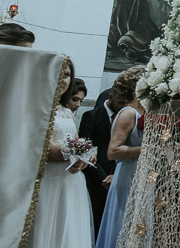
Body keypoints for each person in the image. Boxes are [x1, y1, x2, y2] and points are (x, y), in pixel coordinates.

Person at [28, 58, 95, 247]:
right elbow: (44, 148)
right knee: (43, 228)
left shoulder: (67, 112)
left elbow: (75, 138)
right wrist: (74, 152)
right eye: (58, 72)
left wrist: (82, 159)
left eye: (67, 74)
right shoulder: (38, 107)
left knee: (67, 231)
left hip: (69, 182)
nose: (63, 79)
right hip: (47, 178)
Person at [95, 66, 146, 248]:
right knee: (125, 222)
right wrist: (147, 149)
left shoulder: (142, 113)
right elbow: (113, 151)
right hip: (127, 176)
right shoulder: (128, 113)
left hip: (140, 176)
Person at [79, 86, 120, 238]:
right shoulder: (91, 116)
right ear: (110, 97)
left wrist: (116, 175)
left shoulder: (126, 117)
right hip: (96, 179)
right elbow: (86, 151)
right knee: (94, 222)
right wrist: (104, 178)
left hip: (116, 178)